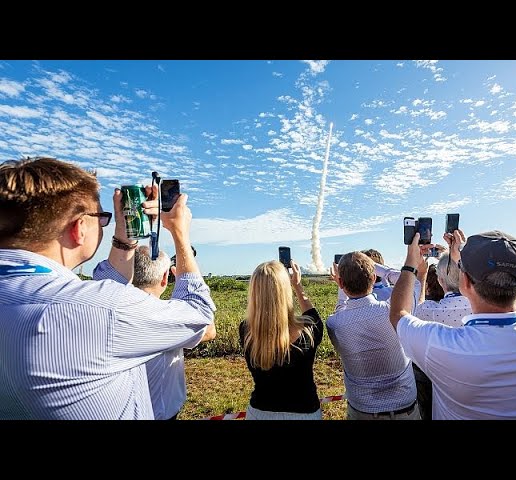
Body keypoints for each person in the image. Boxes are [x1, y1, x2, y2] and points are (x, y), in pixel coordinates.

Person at [0, 157, 215, 419]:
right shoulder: (104, 310)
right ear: (79, 228)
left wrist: (126, 237)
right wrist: (179, 232)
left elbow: (103, 294)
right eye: (101, 218)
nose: (104, 224)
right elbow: (199, 314)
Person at [390, 229, 516, 420]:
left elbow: (398, 314)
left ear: (464, 282)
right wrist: (463, 261)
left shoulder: (443, 345)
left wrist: (410, 265)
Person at [327, 251, 422, 420]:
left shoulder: (334, 324)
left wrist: (342, 285)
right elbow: (412, 283)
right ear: (373, 278)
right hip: (404, 408)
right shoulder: (392, 311)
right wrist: (379, 268)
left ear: (340, 283)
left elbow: (341, 308)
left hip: (362, 410)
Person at [132, 246, 216, 420]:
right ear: (165, 278)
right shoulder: (167, 316)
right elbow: (209, 330)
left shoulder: (114, 309)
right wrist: (187, 279)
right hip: (160, 413)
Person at [239, 259, 324, 420]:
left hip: (260, 412)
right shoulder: (308, 330)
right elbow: (313, 316)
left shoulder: (246, 330)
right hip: (304, 413)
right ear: (285, 292)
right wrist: (298, 286)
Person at [411, 250, 473, 420]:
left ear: (439, 280)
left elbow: (417, 307)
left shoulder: (430, 312)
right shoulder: (483, 306)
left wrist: (421, 275)